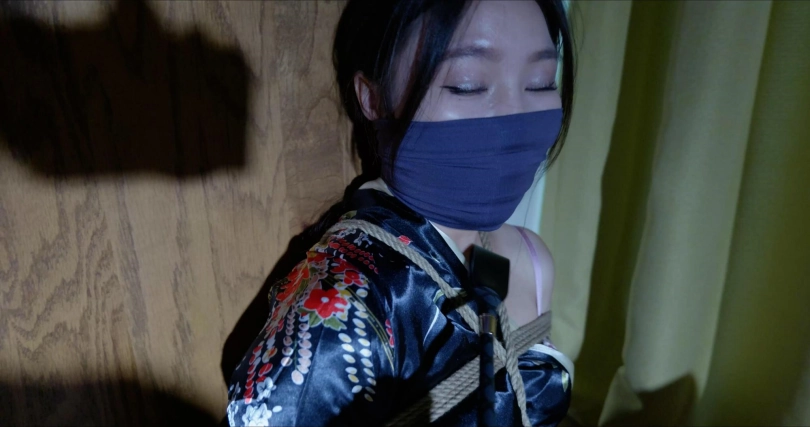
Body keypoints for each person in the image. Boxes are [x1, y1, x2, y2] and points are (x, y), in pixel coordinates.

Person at [226, 0, 575, 425]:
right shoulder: (345, 303)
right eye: (467, 85)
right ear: (373, 98)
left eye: (541, 82)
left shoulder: (530, 258)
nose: (516, 117)